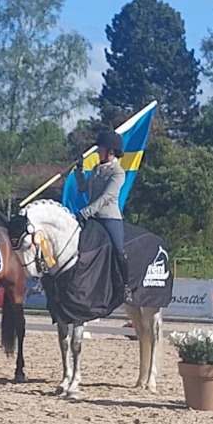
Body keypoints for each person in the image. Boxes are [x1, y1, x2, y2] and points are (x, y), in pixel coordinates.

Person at [75, 130, 132, 303]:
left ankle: (125, 286)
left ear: (111, 152)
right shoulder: (95, 169)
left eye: (101, 149)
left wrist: (86, 211)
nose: (98, 151)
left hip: (109, 218)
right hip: (91, 216)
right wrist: (79, 170)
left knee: (118, 250)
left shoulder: (118, 173)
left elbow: (106, 197)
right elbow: (82, 188)